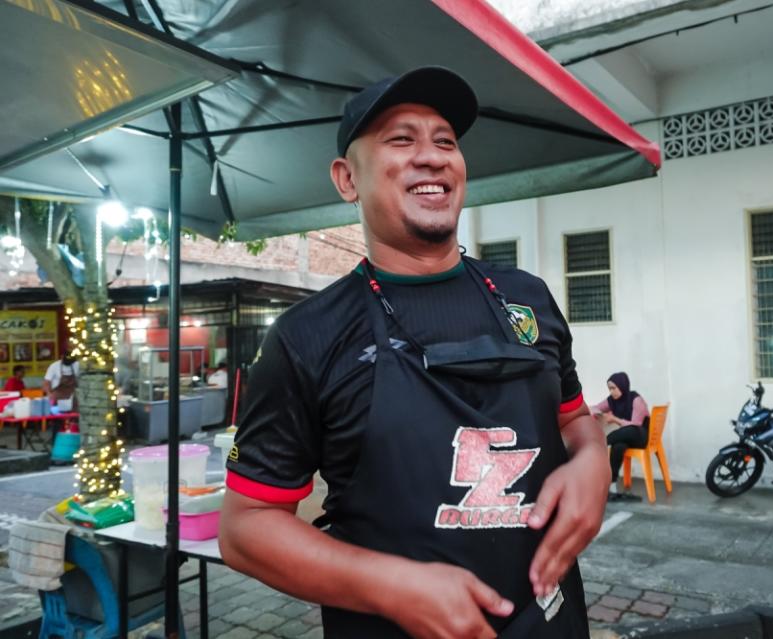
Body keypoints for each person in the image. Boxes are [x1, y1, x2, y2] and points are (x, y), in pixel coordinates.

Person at [218, 67, 608, 639]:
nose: (431, 157)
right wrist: (390, 584)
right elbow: (245, 529)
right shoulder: (306, 336)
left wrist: (593, 463)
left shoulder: (528, 298)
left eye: (445, 141)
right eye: (401, 140)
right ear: (347, 178)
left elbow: (575, 422)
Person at [590, 372, 650, 501]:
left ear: (622, 386)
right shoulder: (612, 400)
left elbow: (636, 424)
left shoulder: (635, 399)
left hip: (640, 436)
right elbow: (595, 407)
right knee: (618, 446)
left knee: (629, 430)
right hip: (625, 437)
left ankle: (600, 444)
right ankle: (611, 485)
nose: (612, 392)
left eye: (614, 388)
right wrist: (596, 414)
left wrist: (615, 419)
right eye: (609, 389)